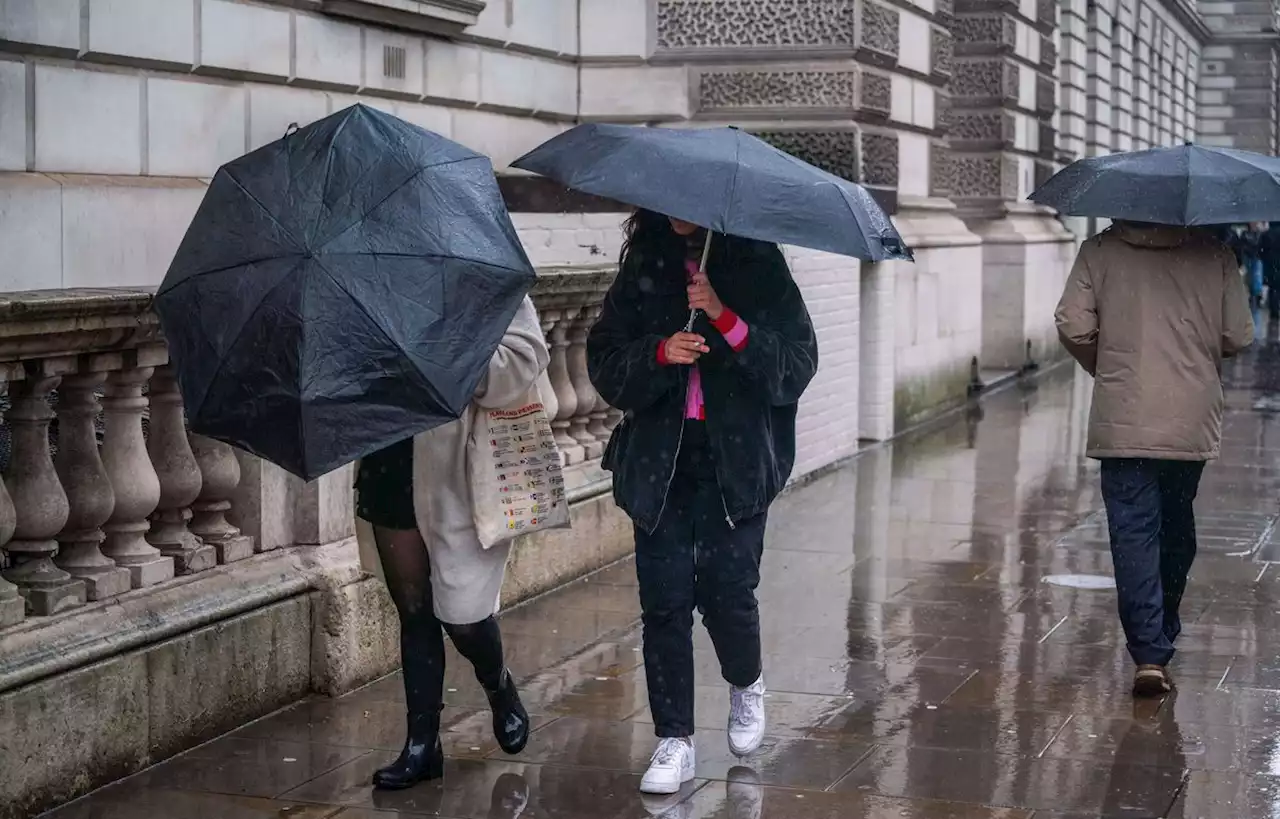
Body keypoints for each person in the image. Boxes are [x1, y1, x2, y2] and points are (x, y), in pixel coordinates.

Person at [587, 209, 818, 794]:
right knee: (664, 601)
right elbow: (605, 363)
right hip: (660, 460)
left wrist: (723, 315)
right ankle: (675, 740)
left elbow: (794, 367)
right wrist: (661, 354)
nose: (677, 216)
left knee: (726, 590)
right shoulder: (646, 265)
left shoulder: (759, 266)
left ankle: (747, 682)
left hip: (735, 463)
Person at [354, 296, 549, 789]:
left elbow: (524, 360)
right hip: (388, 454)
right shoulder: (368, 280)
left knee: (463, 617)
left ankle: (498, 684)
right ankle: (423, 745)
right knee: (414, 609)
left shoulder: (483, 274)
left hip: (457, 477)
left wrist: (444, 355)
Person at [1055, 221, 1253, 697]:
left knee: (1133, 531)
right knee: (1176, 523)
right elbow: (1239, 333)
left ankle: (1149, 651)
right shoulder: (1215, 253)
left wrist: (1112, 366)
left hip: (1123, 416)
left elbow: (1072, 323)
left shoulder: (1099, 250)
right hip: (1189, 415)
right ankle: (1163, 626)